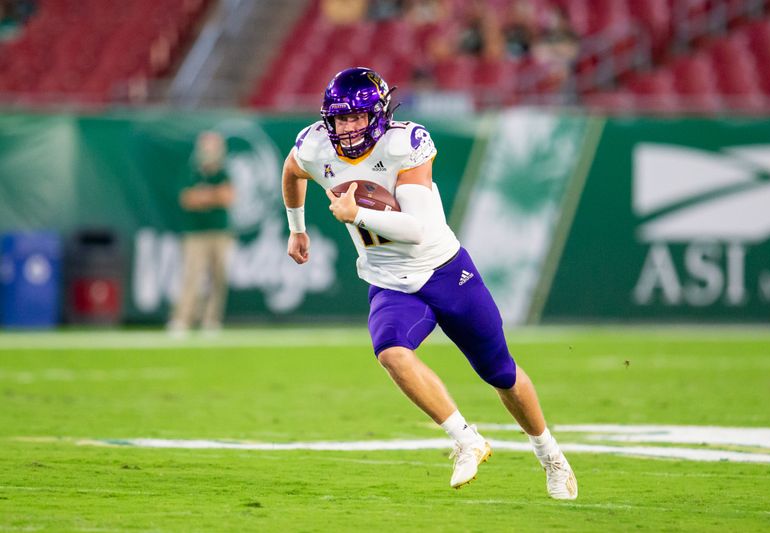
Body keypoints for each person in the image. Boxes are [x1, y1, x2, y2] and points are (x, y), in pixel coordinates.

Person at [281, 67, 577, 499]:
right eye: (341, 119)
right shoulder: (314, 146)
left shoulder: (405, 143)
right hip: (389, 280)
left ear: (379, 115)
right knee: (391, 352)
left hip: (444, 271)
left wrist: (356, 215)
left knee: (501, 372)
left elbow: (417, 227)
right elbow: (291, 172)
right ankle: (466, 440)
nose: (348, 128)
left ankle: (549, 453)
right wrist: (297, 227)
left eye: (357, 117)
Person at [168, 130, 235, 336]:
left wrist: (204, 196)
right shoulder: (190, 172)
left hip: (220, 231)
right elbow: (188, 200)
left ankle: (211, 320)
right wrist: (211, 196)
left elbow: (227, 197)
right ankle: (182, 319)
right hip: (195, 232)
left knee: (219, 276)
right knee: (191, 277)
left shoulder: (224, 173)